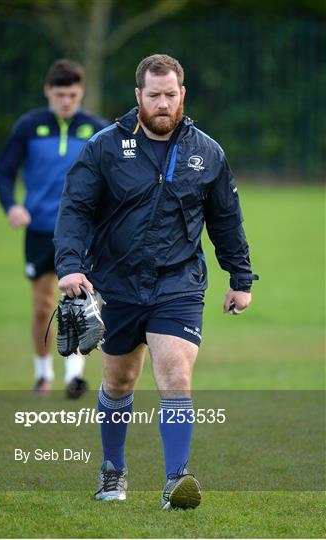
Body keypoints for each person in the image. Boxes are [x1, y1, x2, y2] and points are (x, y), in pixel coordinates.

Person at [54, 54, 258, 508]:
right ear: (138, 97)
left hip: (178, 283)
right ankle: (113, 471)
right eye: (154, 96)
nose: (163, 104)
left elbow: (226, 220)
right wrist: (70, 265)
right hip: (117, 283)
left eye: (171, 95)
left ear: (182, 94)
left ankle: (176, 480)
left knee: (176, 377)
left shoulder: (207, 152)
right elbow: (75, 210)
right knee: (120, 381)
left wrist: (240, 276)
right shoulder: (105, 148)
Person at [0, 59, 108, 398]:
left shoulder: (96, 130)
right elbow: (3, 172)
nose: (66, 101)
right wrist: (11, 205)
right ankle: (43, 374)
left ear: (81, 92)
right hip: (41, 229)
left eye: (72, 94)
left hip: (82, 231)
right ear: (48, 91)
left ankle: (75, 375)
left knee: (79, 302)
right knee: (44, 306)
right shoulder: (29, 127)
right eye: (60, 94)